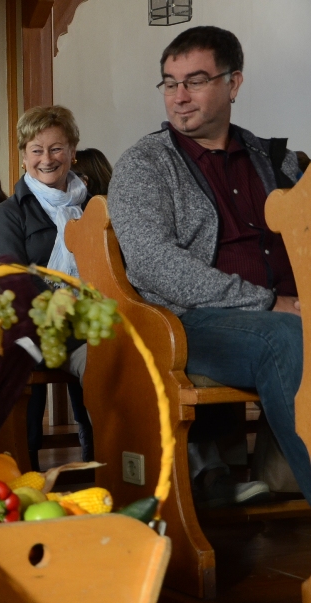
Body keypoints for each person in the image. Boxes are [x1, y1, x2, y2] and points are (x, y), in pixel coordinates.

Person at [108, 25, 302, 506]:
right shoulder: (145, 165)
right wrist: (268, 303)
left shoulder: (275, 160)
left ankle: (283, 471)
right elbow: (154, 265)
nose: (179, 96)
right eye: (170, 83)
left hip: (290, 307)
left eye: (195, 81)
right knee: (285, 338)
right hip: (189, 321)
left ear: (233, 84)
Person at [0, 105, 93, 468]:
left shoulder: (95, 208)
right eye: (36, 150)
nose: (47, 159)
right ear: (23, 156)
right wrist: (69, 309)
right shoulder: (8, 215)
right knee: (104, 360)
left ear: (73, 152)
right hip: (33, 330)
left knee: (133, 356)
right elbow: (10, 281)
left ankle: (113, 465)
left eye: (56, 148)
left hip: (91, 323)